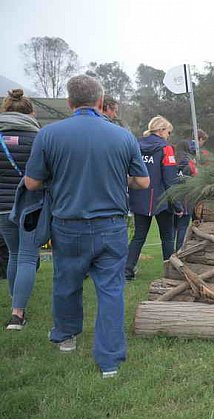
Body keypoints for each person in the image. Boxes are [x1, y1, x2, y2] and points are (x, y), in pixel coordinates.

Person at [24, 74, 149, 378]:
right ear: (100, 101)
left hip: (68, 225)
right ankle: (109, 362)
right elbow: (142, 182)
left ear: (69, 102)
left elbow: (31, 183)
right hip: (111, 226)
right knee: (111, 290)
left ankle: (66, 336)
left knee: (67, 283)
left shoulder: (49, 134)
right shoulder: (122, 136)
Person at [0, 89, 41, 330]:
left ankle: (16, 302)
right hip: (31, 205)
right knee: (27, 255)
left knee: (14, 254)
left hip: (3, 206)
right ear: (30, 112)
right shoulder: (39, 138)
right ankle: (17, 313)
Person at [125, 115, 181, 280]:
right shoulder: (166, 148)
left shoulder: (135, 145)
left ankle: (126, 271)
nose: (168, 136)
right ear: (162, 130)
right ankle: (170, 272)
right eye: (168, 132)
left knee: (139, 237)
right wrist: (177, 205)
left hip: (139, 197)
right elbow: (170, 179)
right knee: (167, 237)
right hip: (161, 200)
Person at [173, 129, 208, 251]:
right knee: (183, 225)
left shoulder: (176, 159)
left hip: (176, 196)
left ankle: (175, 251)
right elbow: (194, 175)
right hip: (187, 197)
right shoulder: (189, 160)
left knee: (175, 227)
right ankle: (180, 250)